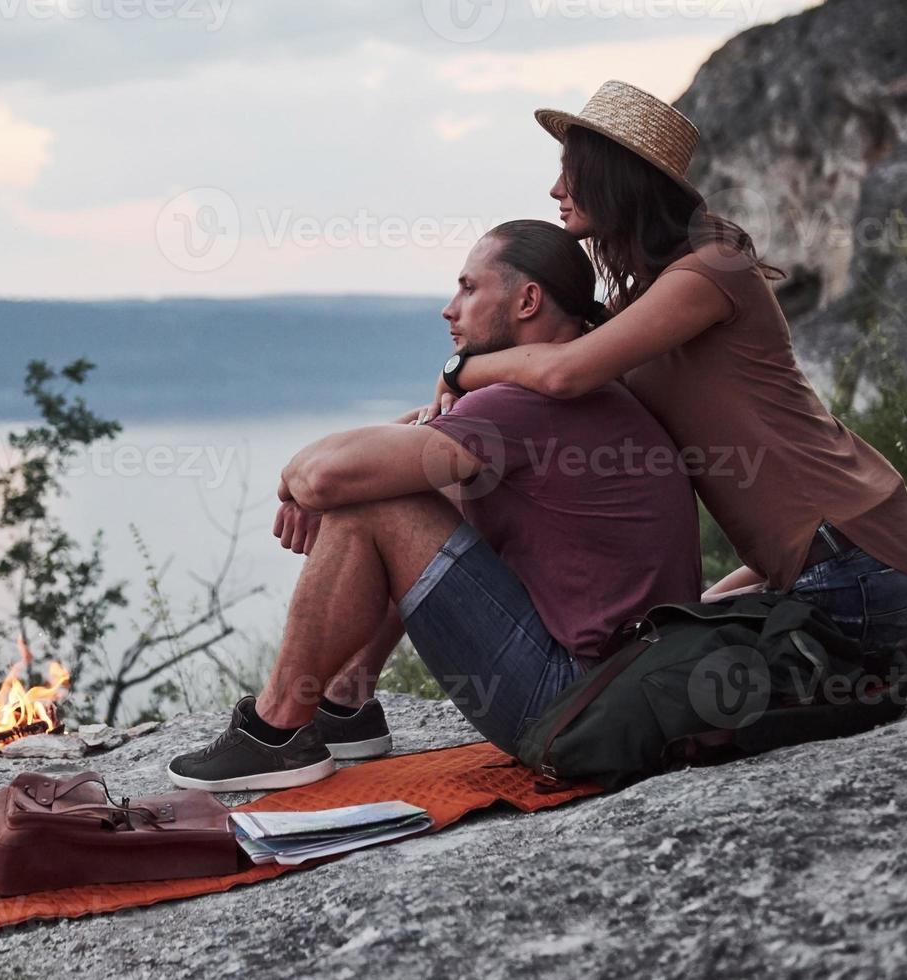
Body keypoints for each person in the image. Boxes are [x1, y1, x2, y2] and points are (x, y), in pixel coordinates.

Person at [420, 80, 907, 670]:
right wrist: (418, 426)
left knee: (662, 684)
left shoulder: (708, 273)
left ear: (614, 176)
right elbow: (539, 371)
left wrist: (459, 369)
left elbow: (564, 372)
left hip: (866, 571)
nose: (556, 189)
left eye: (570, 170)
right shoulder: (651, 297)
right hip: (843, 561)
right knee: (669, 639)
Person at [167, 219, 700, 792]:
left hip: (574, 705)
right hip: (624, 693)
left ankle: (275, 732)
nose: (450, 309)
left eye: (470, 289)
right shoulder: (565, 394)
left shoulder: (525, 403)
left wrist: (293, 481)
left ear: (527, 300)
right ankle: (345, 702)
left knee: (373, 506)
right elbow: (406, 454)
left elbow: (325, 477)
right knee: (402, 485)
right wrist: (366, 461)